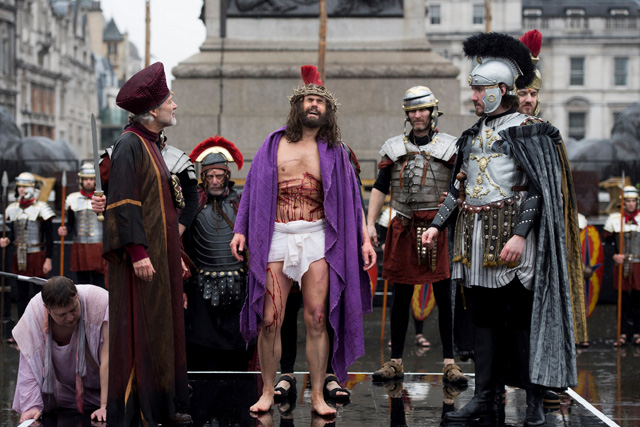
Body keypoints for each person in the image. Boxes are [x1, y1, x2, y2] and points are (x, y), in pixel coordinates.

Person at [422, 32, 582, 426]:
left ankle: (532, 404)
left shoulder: (531, 131)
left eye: (479, 90)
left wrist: (520, 235)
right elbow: (459, 188)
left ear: (501, 90)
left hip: (514, 245)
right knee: (486, 323)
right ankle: (486, 397)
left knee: (521, 324)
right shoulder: (472, 135)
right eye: (473, 90)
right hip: (475, 244)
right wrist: (436, 227)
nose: (473, 97)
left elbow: (538, 190)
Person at [230, 65, 375, 415]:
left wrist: (365, 240)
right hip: (277, 236)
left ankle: (319, 395)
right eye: (308, 99)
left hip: (317, 238)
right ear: (298, 106)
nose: (313, 105)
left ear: (327, 111)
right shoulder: (273, 144)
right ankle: (267, 390)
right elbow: (252, 189)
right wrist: (240, 228)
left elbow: (352, 202)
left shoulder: (336, 152)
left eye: (319, 101)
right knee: (270, 319)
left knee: (316, 316)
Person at [100, 62, 191, 426]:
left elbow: (163, 209)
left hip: (160, 258)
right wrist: (138, 253)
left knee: (162, 328)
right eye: (170, 100)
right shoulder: (129, 145)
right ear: (152, 110)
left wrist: (176, 255)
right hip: (142, 261)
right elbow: (123, 202)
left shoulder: (151, 143)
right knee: (142, 329)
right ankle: (140, 410)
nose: (175, 105)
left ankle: (163, 406)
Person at [367, 86, 467, 386]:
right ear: (407, 114)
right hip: (404, 225)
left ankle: (450, 363)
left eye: (422, 110)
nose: (417, 115)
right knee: (400, 296)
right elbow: (380, 187)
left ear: (433, 112)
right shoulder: (393, 147)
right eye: (412, 111)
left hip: (439, 226)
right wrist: (369, 224)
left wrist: (443, 221)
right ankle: (396, 361)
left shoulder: (451, 147)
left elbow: (457, 189)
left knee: (444, 295)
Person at [182, 136, 257, 371]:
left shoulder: (241, 203)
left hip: (238, 283)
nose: (214, 181)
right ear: (203, 177)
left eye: (219, 175)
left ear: (227, 175)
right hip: (202, 286)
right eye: (210, 176)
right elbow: (181, 240)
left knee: (238, 346)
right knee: (201, 345)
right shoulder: (192, 204)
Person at [11, 276, 108, 423]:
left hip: (103, 391)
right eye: (62, 314)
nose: (70, 318)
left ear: (77, 297)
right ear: (48, 310)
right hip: (62, 395)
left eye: (73, 309)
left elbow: (110, 358)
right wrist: (31, 406)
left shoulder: (99, 301)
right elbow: (28, 362)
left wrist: (106, 405)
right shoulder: (36, 310)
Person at [1, 172, 55, 319]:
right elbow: (13, 234)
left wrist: (48, 259)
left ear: (32, 188)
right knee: (21, 294)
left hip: (37, 254)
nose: (21, 190)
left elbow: (49, 237)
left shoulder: (41, 208)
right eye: (20, 187)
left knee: (39, 294)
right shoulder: (12, 209)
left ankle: (42, 325)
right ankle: (22, 327)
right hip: (18, 254)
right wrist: (7, 240)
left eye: (25, 186)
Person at [57, 163, 106, 288]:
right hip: (80, 246)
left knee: (99, 283)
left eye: (91, 179)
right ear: (81, 180)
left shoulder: (103, 198)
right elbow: (71, 224)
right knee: (82, 283)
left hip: (98, 245)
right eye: (85, 179)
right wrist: (65, 230)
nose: (88, 182)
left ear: (95, 180)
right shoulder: (72, 199)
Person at [603, 185, 640, 347]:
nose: (631, 204)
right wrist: (613, 255)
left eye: (633, 201)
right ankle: (623, 333)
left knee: (638, 301)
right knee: (622, 300)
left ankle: (638, 333)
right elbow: (608, 242)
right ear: (623, 203)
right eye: (628, 201)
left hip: (639, 265)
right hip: (621, 265)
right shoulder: (614, 220)